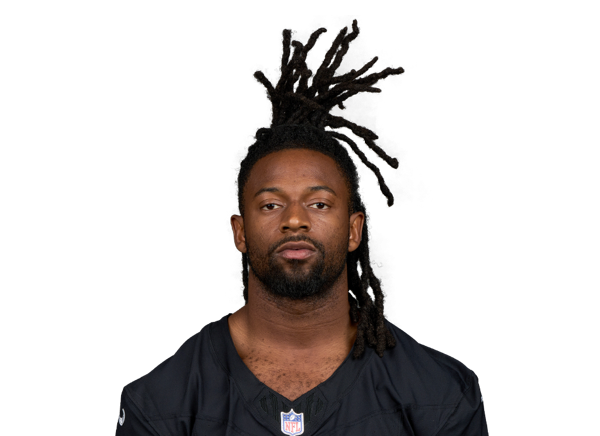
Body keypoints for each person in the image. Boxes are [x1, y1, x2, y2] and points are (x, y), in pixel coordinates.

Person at [116, 17, 488, 435]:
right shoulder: (161, 403)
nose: (295, 220)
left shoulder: (440, 397)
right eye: (271, 204)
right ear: (239, 232)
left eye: (319, 203)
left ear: (354, 230)